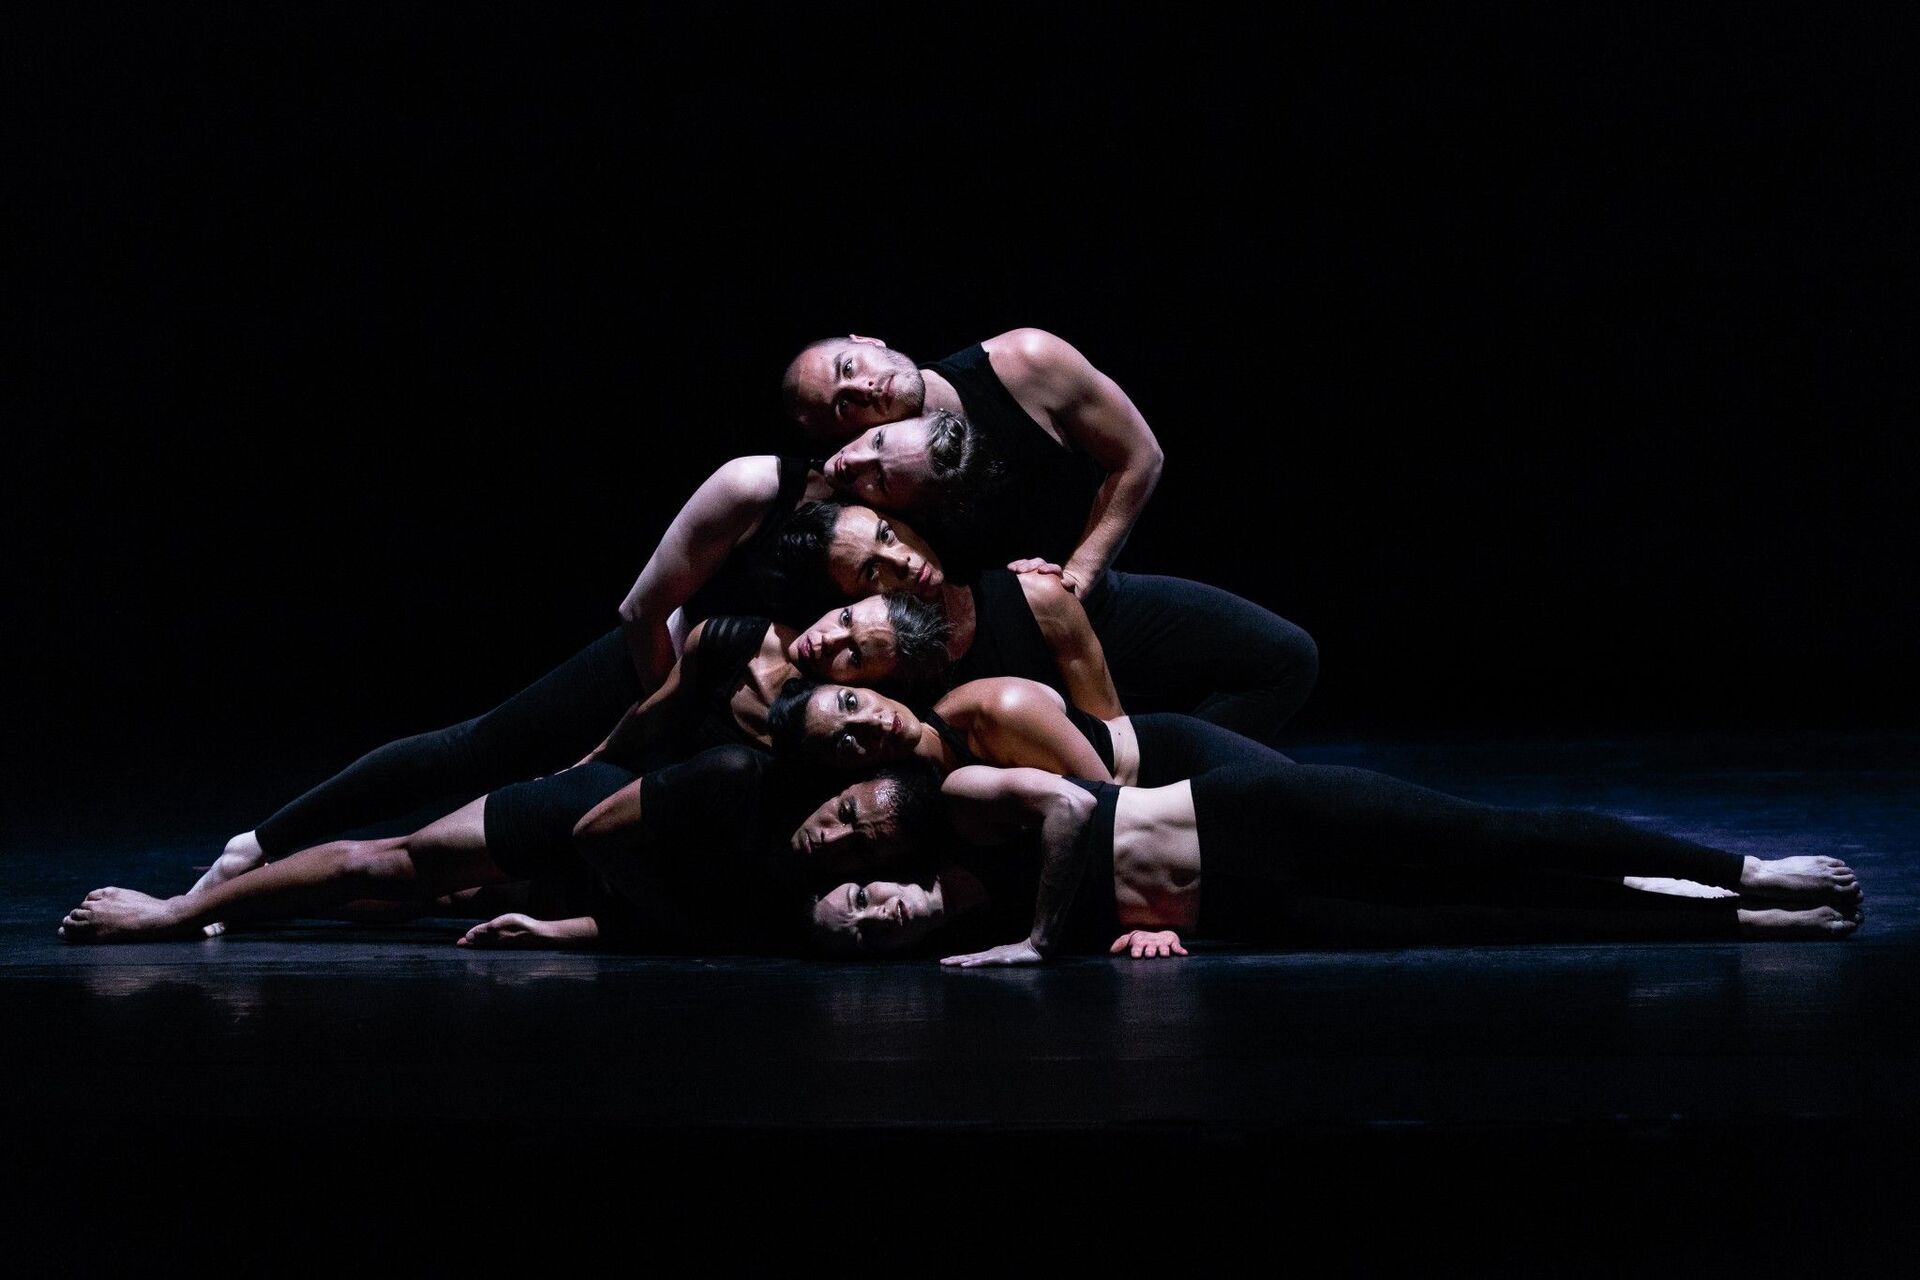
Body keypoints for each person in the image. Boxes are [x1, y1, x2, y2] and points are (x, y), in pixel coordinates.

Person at [782, 330, 1319, 746]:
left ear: (866, 342)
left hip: (1083, 600)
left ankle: (1175, 799)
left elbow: (1138, 457)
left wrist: (1080, 575)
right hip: (985, 651)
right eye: (842, 406)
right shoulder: (859, 480)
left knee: (1286, 661)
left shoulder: (1026, 363)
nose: (861, 388)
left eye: (847, 368)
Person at [808, 762, 1867, 963]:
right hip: (1252, 908)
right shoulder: (962, 955)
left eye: (857, 894)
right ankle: (1735, 925)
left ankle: (1746, 868)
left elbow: (1064, 803)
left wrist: (1045, 938)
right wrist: (1136, 925)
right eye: (861, 936)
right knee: (1496, 921)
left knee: (1500, 841)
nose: (875, 913)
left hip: (1258, 819)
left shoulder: (950, 811)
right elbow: (1107, 903)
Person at [57, 745, 942, 951]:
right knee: (397, 863)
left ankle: (259, 911)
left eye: (854, 846)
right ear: (837, 788)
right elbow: (602, 838)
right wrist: (625, 912)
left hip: (629, 888)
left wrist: (560, 931)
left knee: (433, 908)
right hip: (593, 818)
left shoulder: (818, 880)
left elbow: (702, 924)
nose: (833, 836)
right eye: (844, 813)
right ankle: (177, 912)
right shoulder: (733, 775)